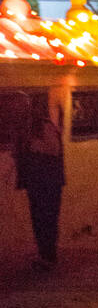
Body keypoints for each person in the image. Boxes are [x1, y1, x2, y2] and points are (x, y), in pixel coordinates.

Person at [10, 91, 65, 271]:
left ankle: (48, 255)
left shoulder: (43, 126)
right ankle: (44, 254)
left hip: (48, 181)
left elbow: (54, 150)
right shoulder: (24, 128)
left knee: (47, 218)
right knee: (38, 218)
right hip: (35, 181)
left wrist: (31, 147)